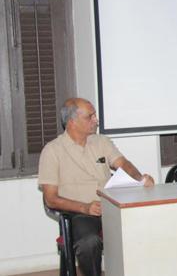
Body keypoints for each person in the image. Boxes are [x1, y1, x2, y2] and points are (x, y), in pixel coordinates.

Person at [38, 98, 154, 276]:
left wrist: (140, 178)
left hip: (112, 207)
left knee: (149, 226)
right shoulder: (52, 151)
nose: (96, 120)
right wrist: (85, 207)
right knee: (88, 242)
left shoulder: (101, 142)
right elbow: (50, 199)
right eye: (90, 116)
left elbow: (122, 163)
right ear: (72, 122)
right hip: (80, 213)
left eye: (95, 115)